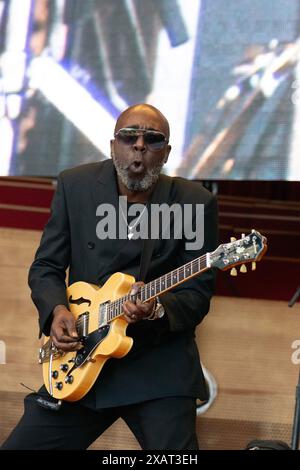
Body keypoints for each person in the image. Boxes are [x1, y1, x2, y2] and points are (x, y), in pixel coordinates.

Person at [1, 104, 218, 450]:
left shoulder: (195, 202)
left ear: (166, 152)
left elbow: (197, 295)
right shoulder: (75, 185)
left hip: (158, 368)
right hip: (82, 359)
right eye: (129, 137)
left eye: (153, 139)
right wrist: (57, 311)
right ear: (113, 144)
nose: (139, 146)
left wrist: (157, 308)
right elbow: (46, 267)